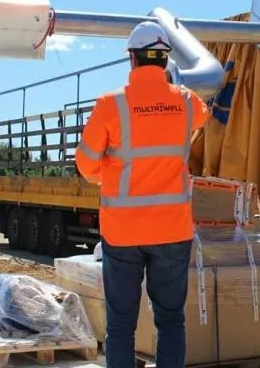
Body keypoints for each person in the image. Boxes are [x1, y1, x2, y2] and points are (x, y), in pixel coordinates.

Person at [75, 21, 210, 368]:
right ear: (165, 61)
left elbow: (86, 166)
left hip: (123, 232)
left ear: (132, 60)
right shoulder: (185, 102)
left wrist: (108, 172)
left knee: (121, 323)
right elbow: (204, 115)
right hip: (172, 230)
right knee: (170, 320)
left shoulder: (110, 105)